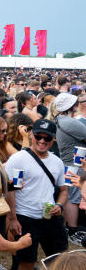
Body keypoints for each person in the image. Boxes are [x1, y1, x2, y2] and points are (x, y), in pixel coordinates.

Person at [3, 118, 69, 270]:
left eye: (47, 138)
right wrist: (13, 218)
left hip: (50, 217)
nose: (41, 141)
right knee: (26, 262)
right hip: (26, 219)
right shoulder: (19, 159)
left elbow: (63, 190)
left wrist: (60, 206)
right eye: (38, 136)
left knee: (59, 259)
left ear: (53, 139)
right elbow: (12, 191)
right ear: (31, 135)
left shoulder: (57, 162)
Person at [51, 93, 86, 243]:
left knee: (72, 196)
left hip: (69, 163)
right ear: (71, 106)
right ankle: (72, 231)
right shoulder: (69, 122)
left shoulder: (61, 119)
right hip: (74, 164)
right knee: (73, 198)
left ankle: (70, 228)